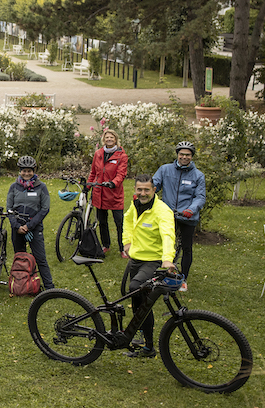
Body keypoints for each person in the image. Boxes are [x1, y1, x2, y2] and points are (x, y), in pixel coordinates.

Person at [121, 174, 177, 359]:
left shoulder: (162, 211)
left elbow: (168, 235)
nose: (143, 193)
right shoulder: (135, 204)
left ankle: (147, 344)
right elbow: (128, 220)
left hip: (153, 261)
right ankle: (142, 340)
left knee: (137, 290)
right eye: (139, 189)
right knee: (140, 300)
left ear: (154, 190)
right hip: (136, 260)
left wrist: (168, 259)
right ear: (135, 190)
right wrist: (127, 242)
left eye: (147, 189)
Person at [153, 141, 206, 282]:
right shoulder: (165, 170)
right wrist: (145, 193)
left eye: (188, 155)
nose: (184, 157)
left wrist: (191, 209)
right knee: (163, 243)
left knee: (186, 248)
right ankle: (158, 273)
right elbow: (154, 185)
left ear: (192, 157)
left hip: (188, 216)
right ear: (177, 155)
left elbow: (200, 197)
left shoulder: (198, 176)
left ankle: (183, 278)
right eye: (181, 154)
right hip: (168, 214)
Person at [5, 155, 54, 290]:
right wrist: (17, 226)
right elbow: (9, 209)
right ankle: (22, 285)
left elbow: (45, 209)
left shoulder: (41, 187)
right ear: (20, 171)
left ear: (34, 171)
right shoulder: (13, 187)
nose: (26, 173)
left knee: (40, 258)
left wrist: (29, 226)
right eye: (24, 171)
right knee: (20, 259)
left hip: (34, 228)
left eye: (29, 171)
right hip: (18, 228)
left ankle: (49, 287)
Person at [88, 129, 129, 257]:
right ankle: (106, 245)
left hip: (114, 194)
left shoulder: (121, 156)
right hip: (99, 194)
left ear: (116, 139)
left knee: (119, 222)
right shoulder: (98, 154)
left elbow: (121, 174)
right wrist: (88, 186)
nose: (109, 139)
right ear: (103, 140)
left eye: (111, 137)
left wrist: (113, 183)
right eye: (107, 138)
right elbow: (93, 172)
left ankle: (123, 248)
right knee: (102, 222)